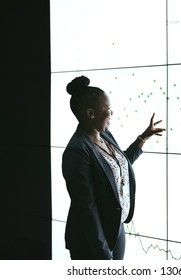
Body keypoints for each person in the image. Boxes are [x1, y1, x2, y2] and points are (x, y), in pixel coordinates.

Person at [62, 76, 165, 260]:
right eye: (108, 109)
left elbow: (118, 166)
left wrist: (143, 138)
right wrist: (103, 255)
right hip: (92, 238)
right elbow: (87, 208)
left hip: (115, 227)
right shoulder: (77, 151)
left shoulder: (104, 135)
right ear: (91, 113)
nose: (112, 114)